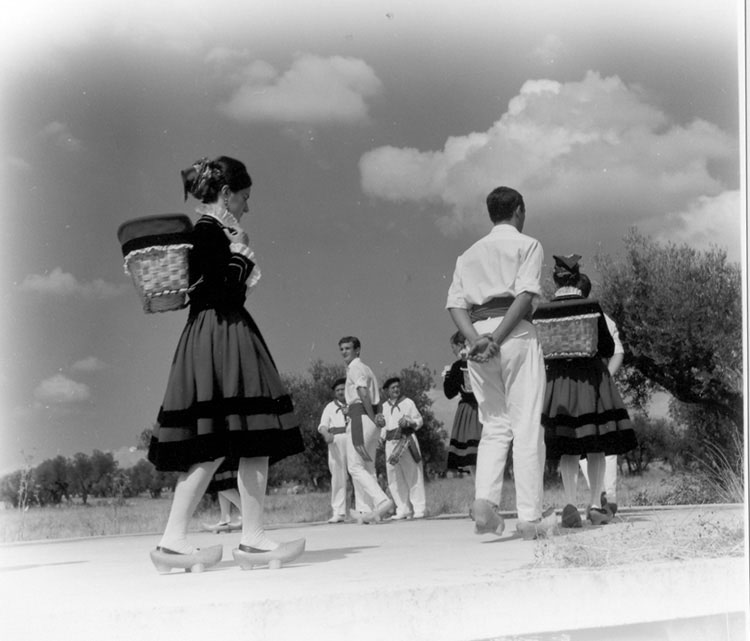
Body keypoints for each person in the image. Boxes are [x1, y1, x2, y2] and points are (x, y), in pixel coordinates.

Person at [147, 156, 306, 572]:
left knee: (233, 441)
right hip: (222, 335)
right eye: (244, 197)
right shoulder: (209, 233)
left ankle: (190, 540)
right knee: (230, 440)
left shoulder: (210, 232)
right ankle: (234, 540)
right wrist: (241, 250)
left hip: (213, 335)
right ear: (225, 193)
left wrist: (238, 248)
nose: (247, 206)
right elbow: (225, 294)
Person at [446, 186, 549, 540]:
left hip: (477, 337)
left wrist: (477, 340)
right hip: (514, 334)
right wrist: (498, 338)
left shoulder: (468, 254)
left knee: (493, 423)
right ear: (519, 209)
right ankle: (529, 517)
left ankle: (485, 502)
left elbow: (455, 304)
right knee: (526, 425)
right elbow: (526, 295)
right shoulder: (528, 244)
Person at [538, 256, 637, 527]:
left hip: (559, 381)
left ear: (556, 280)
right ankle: (594, 505)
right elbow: (607, 348)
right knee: (595, 444)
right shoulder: (591, 307)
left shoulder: (543, 311)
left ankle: (570, 506)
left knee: (568, 446)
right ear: (577, 277)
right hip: (591, 381)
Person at [576, 274, 624, 516]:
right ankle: (608, 496)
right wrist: (606, 378)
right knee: (607, 440)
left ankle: (600, 495)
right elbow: (618, 352)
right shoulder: (605, 318)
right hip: (600, 386)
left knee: (582, 442)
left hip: (575, 387)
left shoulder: (564, 316)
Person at [338, 336, 394, 523]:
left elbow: (362, 393)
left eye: (348, 348)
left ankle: (382, 500)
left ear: (357, 350)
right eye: (342, 349)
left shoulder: (356, 368)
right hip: (367, 418)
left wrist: (370, 416)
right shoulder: (366, 368)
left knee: (354, 466)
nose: (344, 352)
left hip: (361, 419)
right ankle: (366, 510)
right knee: (367, 466)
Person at [380, 377, 426, 520]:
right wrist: (380, 438)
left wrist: (409, 422)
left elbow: (419, 420)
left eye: (397, 387)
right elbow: (383, 426)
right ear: (387, 391)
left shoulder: (408, 402)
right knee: (394, 477)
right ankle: (403, 508)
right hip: (390, 443)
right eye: (393, 388)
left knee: (413, 474)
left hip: (405, 440)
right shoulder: (384, 406)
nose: (396, 389)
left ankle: (419, 508)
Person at [442, 331, 483, 475]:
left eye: (453, 347)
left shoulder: (457, 366)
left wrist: (447, 377)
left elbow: (449, 393)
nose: (452, 351)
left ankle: (479, 482)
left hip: (469, 412)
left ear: (460, 345)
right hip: (486, 407)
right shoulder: (480, 361)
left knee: (471, 455)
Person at [317, 377, 353, 523]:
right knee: (338, 476)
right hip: (336, 441)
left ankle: (364, 508)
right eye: (338, 390)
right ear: (334, 393)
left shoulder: (354, 404)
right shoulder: (330, 407)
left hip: (352, 439)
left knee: (358, 472)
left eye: (343, 389)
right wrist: (326, 434)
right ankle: (339, 512)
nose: (341, 392)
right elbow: (322, 425)